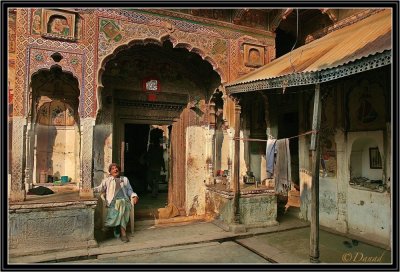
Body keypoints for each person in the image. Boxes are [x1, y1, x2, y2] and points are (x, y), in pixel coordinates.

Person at [94, 163, 139, 243]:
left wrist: (134, 196)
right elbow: (100, 188)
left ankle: (108, 226)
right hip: (113, 203)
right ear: (110, 172)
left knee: (121, 203)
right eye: (113, 169)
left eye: (117, 168)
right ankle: (123, 233)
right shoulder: (107, 180)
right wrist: (89, 190)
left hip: (124, 201)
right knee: (120, 205)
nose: (115, 170)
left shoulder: (124, 179)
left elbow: (129, 190)